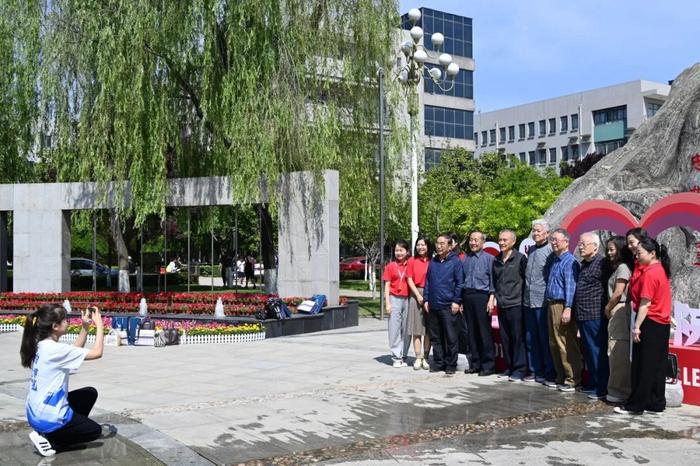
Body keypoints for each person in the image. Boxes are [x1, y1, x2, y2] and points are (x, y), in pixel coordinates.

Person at [20, 304, 105, 457]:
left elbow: (74, 350)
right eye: (65, 320)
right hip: (48, 417)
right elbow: (97, 352)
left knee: (89, 394)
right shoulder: (54, 350)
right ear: (55, 326)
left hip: (36, 413)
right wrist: (99, 324)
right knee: (94, 432)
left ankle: (56, 432)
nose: (68, 322)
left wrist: (85, 326)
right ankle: (52, 440)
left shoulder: (41, 346)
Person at [615, 237, 672, 415]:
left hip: (651, 322)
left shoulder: (651, 273)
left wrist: (637, 327)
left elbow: (645, 304)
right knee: (656, 366)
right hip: (662, 323)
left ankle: (636, 405)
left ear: (652, 253)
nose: (637, 257)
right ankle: (656, 403)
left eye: (639, 253)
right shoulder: (658, 269)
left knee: (643, 366)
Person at [545, 228, 582, 392]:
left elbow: (571, 287)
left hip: (562, 305)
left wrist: (568, 308)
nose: (553, 242)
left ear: (566, 242)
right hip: (551, 304)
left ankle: (572, 379)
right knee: (554, 342)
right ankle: (560, 376)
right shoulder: (555, 260)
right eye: (552, 239)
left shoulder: (570, 261)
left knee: (565, 342)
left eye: (556, 240)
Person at [573, 232, 609, 400]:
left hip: (595, 314)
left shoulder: (602, 263)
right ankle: (594, 383)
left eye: (584, 244)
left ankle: (601, 387)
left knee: (597, 351)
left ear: (595, 246)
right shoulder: (583, 265)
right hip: (582, 314)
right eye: (579, 244)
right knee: (588, 351)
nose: (580, 246)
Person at [489, 229, 528, 382]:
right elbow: (494, 282)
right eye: (500, 240)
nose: (501, 243)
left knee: (517, 338)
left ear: (513, 241)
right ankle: (509, 367)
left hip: (516, 304)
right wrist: (493, 298)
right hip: (502, 304)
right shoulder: (496, 260)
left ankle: (519, 369)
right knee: (505, 338)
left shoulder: (520, 259)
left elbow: (525, 281)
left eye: (505, 240)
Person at [423, 233, 464, 375]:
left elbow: (460, 283)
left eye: (442, 243)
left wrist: (456, 301)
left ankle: (451, 364)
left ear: (450, 245)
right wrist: (427, 299)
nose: (439, 246)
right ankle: (439, 362)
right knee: (436, 336)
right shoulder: (433, 261)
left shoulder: (455, 262)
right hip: (434, 304)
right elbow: (428, 281)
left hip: (448, 305)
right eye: (437, 243)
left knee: (451, 337)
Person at [524, 219, 556, 386]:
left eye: (538, 231)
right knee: (531, 339)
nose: (535, 233)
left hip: (542, 301)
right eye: (534, 231)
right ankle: (534, 370)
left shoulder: (551, 251)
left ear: (547, 233)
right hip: (528, 301)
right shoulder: (531, 250)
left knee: (545, 339)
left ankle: (549, 372)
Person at [604, 235, 634, 404]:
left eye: (612, 249)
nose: (609, 253)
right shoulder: (619, 267)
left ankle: (619, 391)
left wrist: (608, 308)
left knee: (617, 350)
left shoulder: (622, 267)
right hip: (619, 309)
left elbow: (618, 292)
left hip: (620, 309)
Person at [462, 231, 496, 376]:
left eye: (476, 240)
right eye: (471, 240)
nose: (473, 243)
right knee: (471, 332)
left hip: (482, 296)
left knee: (484, 332)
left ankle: (488, 365)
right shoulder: (466, 259)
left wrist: (491, 299)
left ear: (483, 242)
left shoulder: (489, 259)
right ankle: (475, 363)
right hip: (468, 296)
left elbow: (493, 282)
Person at [383, 240, 411, 367]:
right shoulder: (390, 266)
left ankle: (403, 355)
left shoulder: (410, 264)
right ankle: (396, 356)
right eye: (396, 250)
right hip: (394, 298)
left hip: (408, 298)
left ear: (407, 251)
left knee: (406, 328)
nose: (399, 253)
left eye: (401, 250)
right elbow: (387, 285)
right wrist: (387, 303)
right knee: (394, 328)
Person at [406, 236, 432, 370]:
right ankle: (418, 357)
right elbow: (409, 279)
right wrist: (417, 295)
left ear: (428, 246)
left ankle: (426, 357)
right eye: (418, 245)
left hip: (430, 295)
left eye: (423, 245)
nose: (420, 247)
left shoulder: (433, 261)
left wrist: (427, 297)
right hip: (415, 295)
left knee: (428, 329)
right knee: (416, 329)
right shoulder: (412, 260)